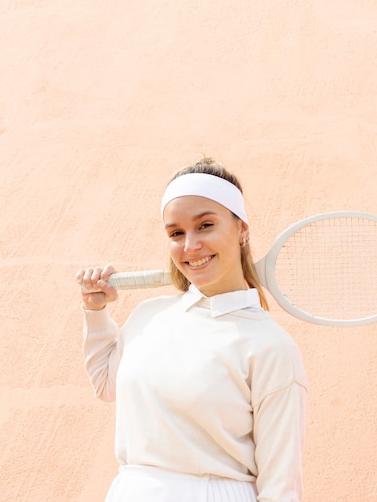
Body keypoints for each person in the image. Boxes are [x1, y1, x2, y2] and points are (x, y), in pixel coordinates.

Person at [77, 157, 307, 502]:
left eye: (205, 226)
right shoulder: (148, 315)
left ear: (242, 229)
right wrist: (95, 312)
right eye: (176, 233)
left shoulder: (270, 346)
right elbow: (106, 385)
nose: (190, 246)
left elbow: (281, 486)